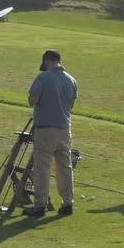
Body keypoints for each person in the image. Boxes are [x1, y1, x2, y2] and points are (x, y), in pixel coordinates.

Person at [24, 49, 78, 217]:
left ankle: (40, 206)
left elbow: (32, 100)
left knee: (42, 168)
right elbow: (71, 105)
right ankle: (67, 203)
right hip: (64, 129)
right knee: (65, 167)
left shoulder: (43, 77)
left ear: (47, 61)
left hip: (45, 129)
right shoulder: (71, 80)